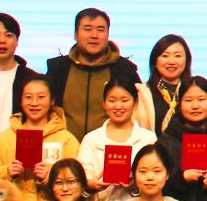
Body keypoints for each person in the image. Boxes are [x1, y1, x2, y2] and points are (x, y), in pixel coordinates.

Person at [0, 75, 81, 201]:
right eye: (28, 97)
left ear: (52, 101)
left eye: (41, 97)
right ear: (21, 101)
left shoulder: (66, 139)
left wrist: (50, 176)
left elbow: (78, 181)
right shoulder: (4, 138)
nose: (34, 103)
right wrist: (7, 171)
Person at [45, 7, 142, 140]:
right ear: (75, 34)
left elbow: (139, 112)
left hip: (110, 147)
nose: (94, 35)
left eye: (100, 30)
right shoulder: (59, 69)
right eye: (87, 29)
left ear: (107, 34)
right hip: (65, 147)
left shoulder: (124, 70)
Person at [75, 78, 158, 201]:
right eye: (112, 100)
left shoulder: (148, 139)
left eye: (124, 100)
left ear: (136, 103)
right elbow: (80, 180)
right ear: (104, 103)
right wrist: (90, 186)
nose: (118, 106)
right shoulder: (91, 139)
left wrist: (136, 183)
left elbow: (156, 178)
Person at [132, 34, 195, 133]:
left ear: (187, 60)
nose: (171, 61)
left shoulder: (196, 91)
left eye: (177, 56)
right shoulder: (141, 93)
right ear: (155, 61)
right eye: (165, 56)